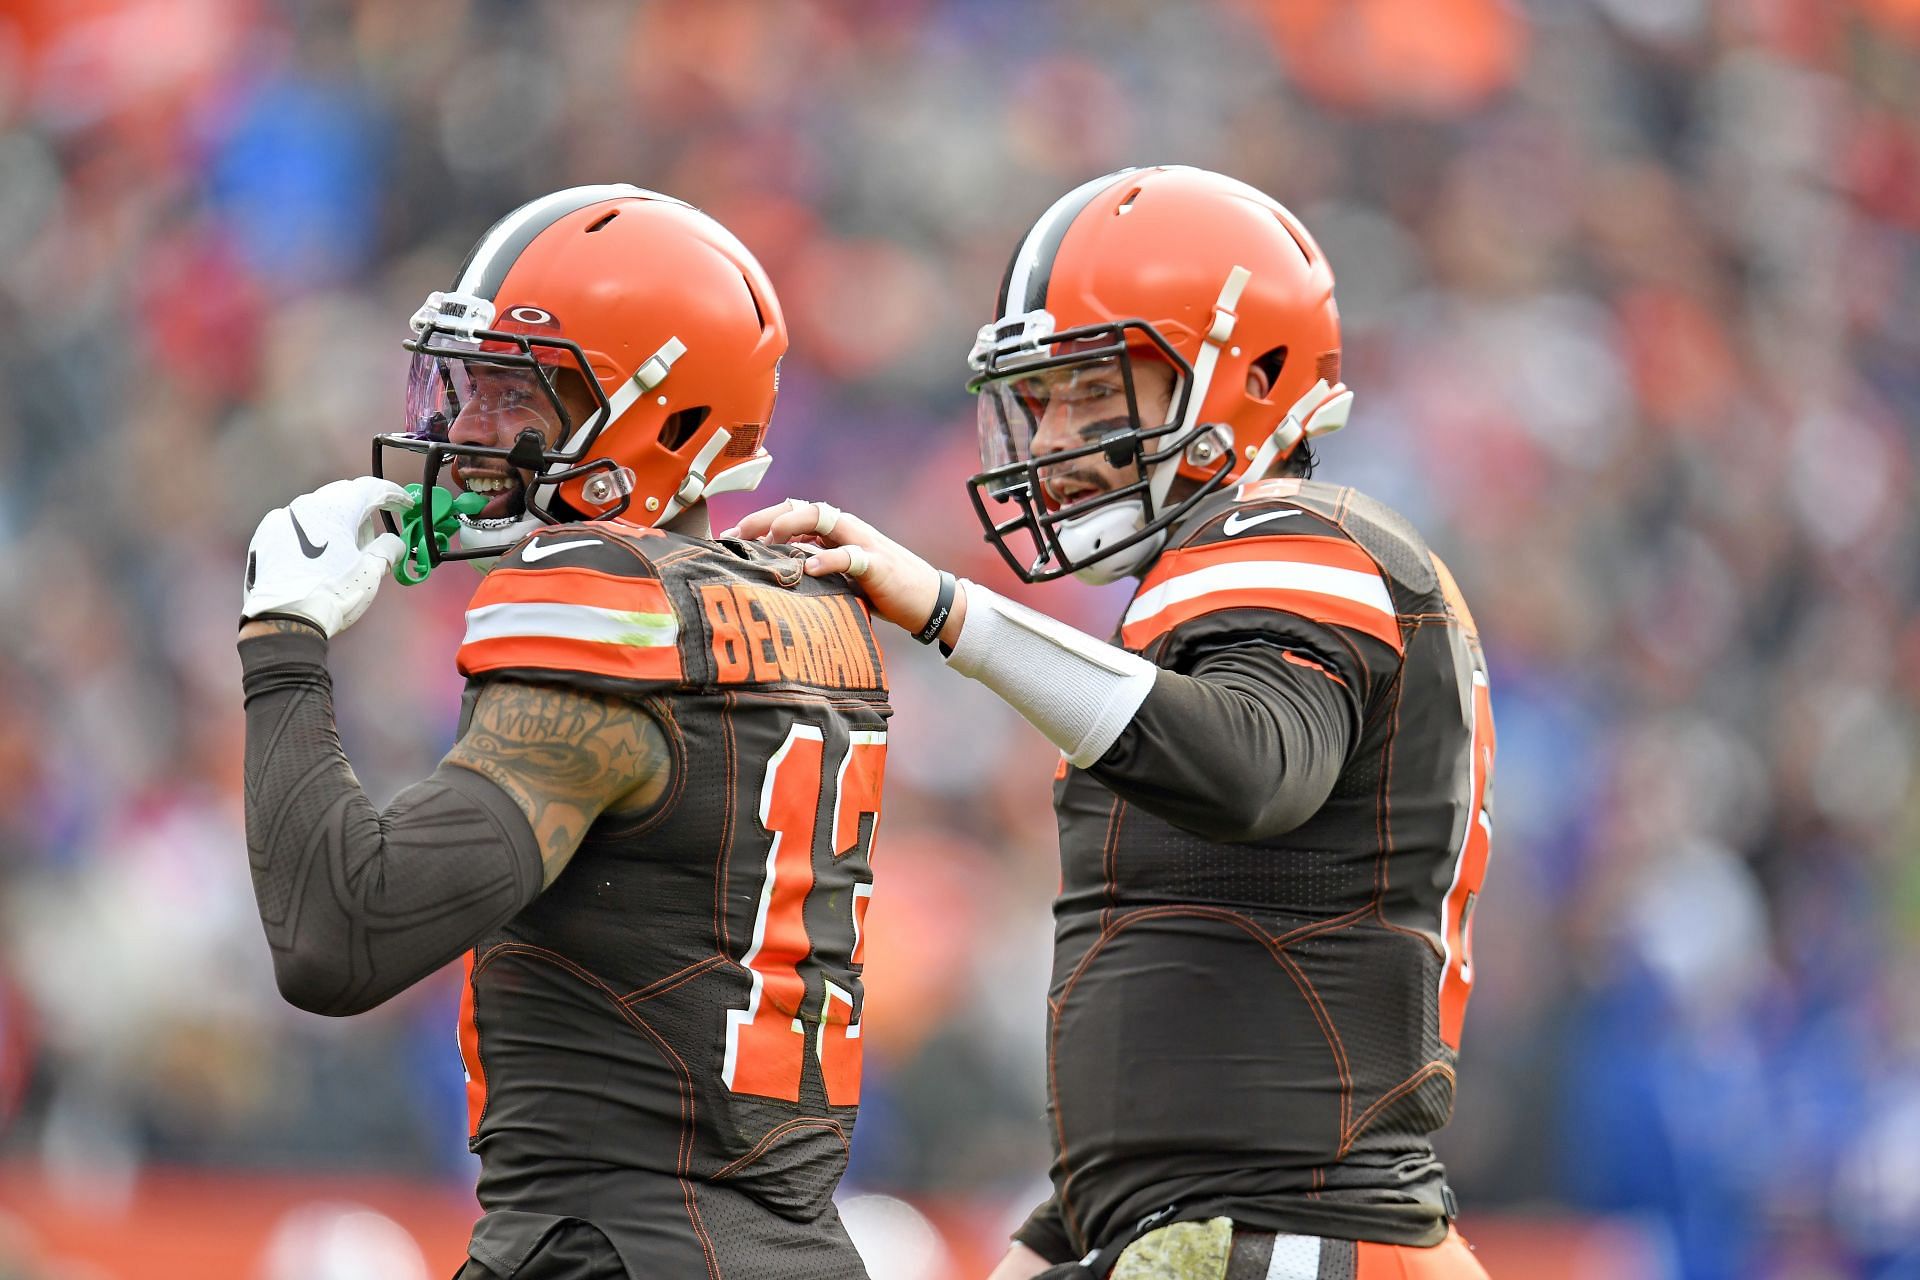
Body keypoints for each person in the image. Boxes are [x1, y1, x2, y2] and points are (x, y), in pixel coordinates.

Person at [730, 165, 1496, 1279]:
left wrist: (949, 610)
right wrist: (1056, 1229)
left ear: (1247, 374)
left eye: (1099, 392)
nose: (1058, 436)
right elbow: (1181, 1000)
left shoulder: (1294, 531)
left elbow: (1253, 767)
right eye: (1043, 400)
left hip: (1295, 1236)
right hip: (1233, 1226)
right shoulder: (1211, 585)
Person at [238, 185, 893, 1279]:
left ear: (666, 416)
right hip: (790, 1244)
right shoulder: (809, 609)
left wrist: (283, 639)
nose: (464, 428)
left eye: (516, 391)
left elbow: (339, 934)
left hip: (614, 1247)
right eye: (467, 384)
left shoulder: (601, 605)